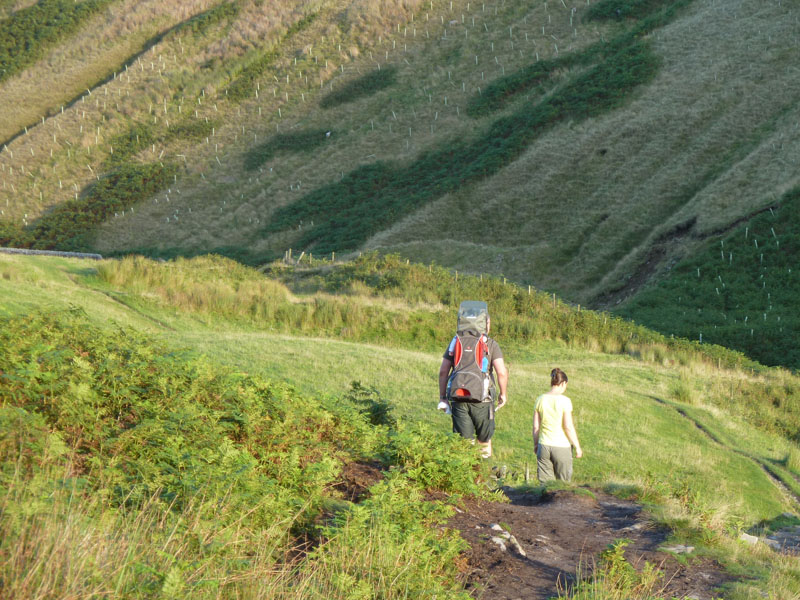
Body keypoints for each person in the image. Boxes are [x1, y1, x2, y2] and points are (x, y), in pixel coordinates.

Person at [438, 302, 508, 458]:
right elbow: (501, 372)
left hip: (458, 398)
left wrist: (443, 397)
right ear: (485, 323)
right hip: (483, 400)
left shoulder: (455, 341)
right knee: (484, 441)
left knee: (464, 444)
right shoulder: (490, 344)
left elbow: (443, 371)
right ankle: (482, 477)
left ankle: (465, 477)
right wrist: (503, 394)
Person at [533, 368, 582, 482]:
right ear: (563, 383)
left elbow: (536, 427)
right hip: (561, 446)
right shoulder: (565, 401)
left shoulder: (540, 399)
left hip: (544, 445)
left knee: (545, 485)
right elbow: (568, 426)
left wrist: (536, 445)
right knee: (563, 485)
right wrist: (577, 447)